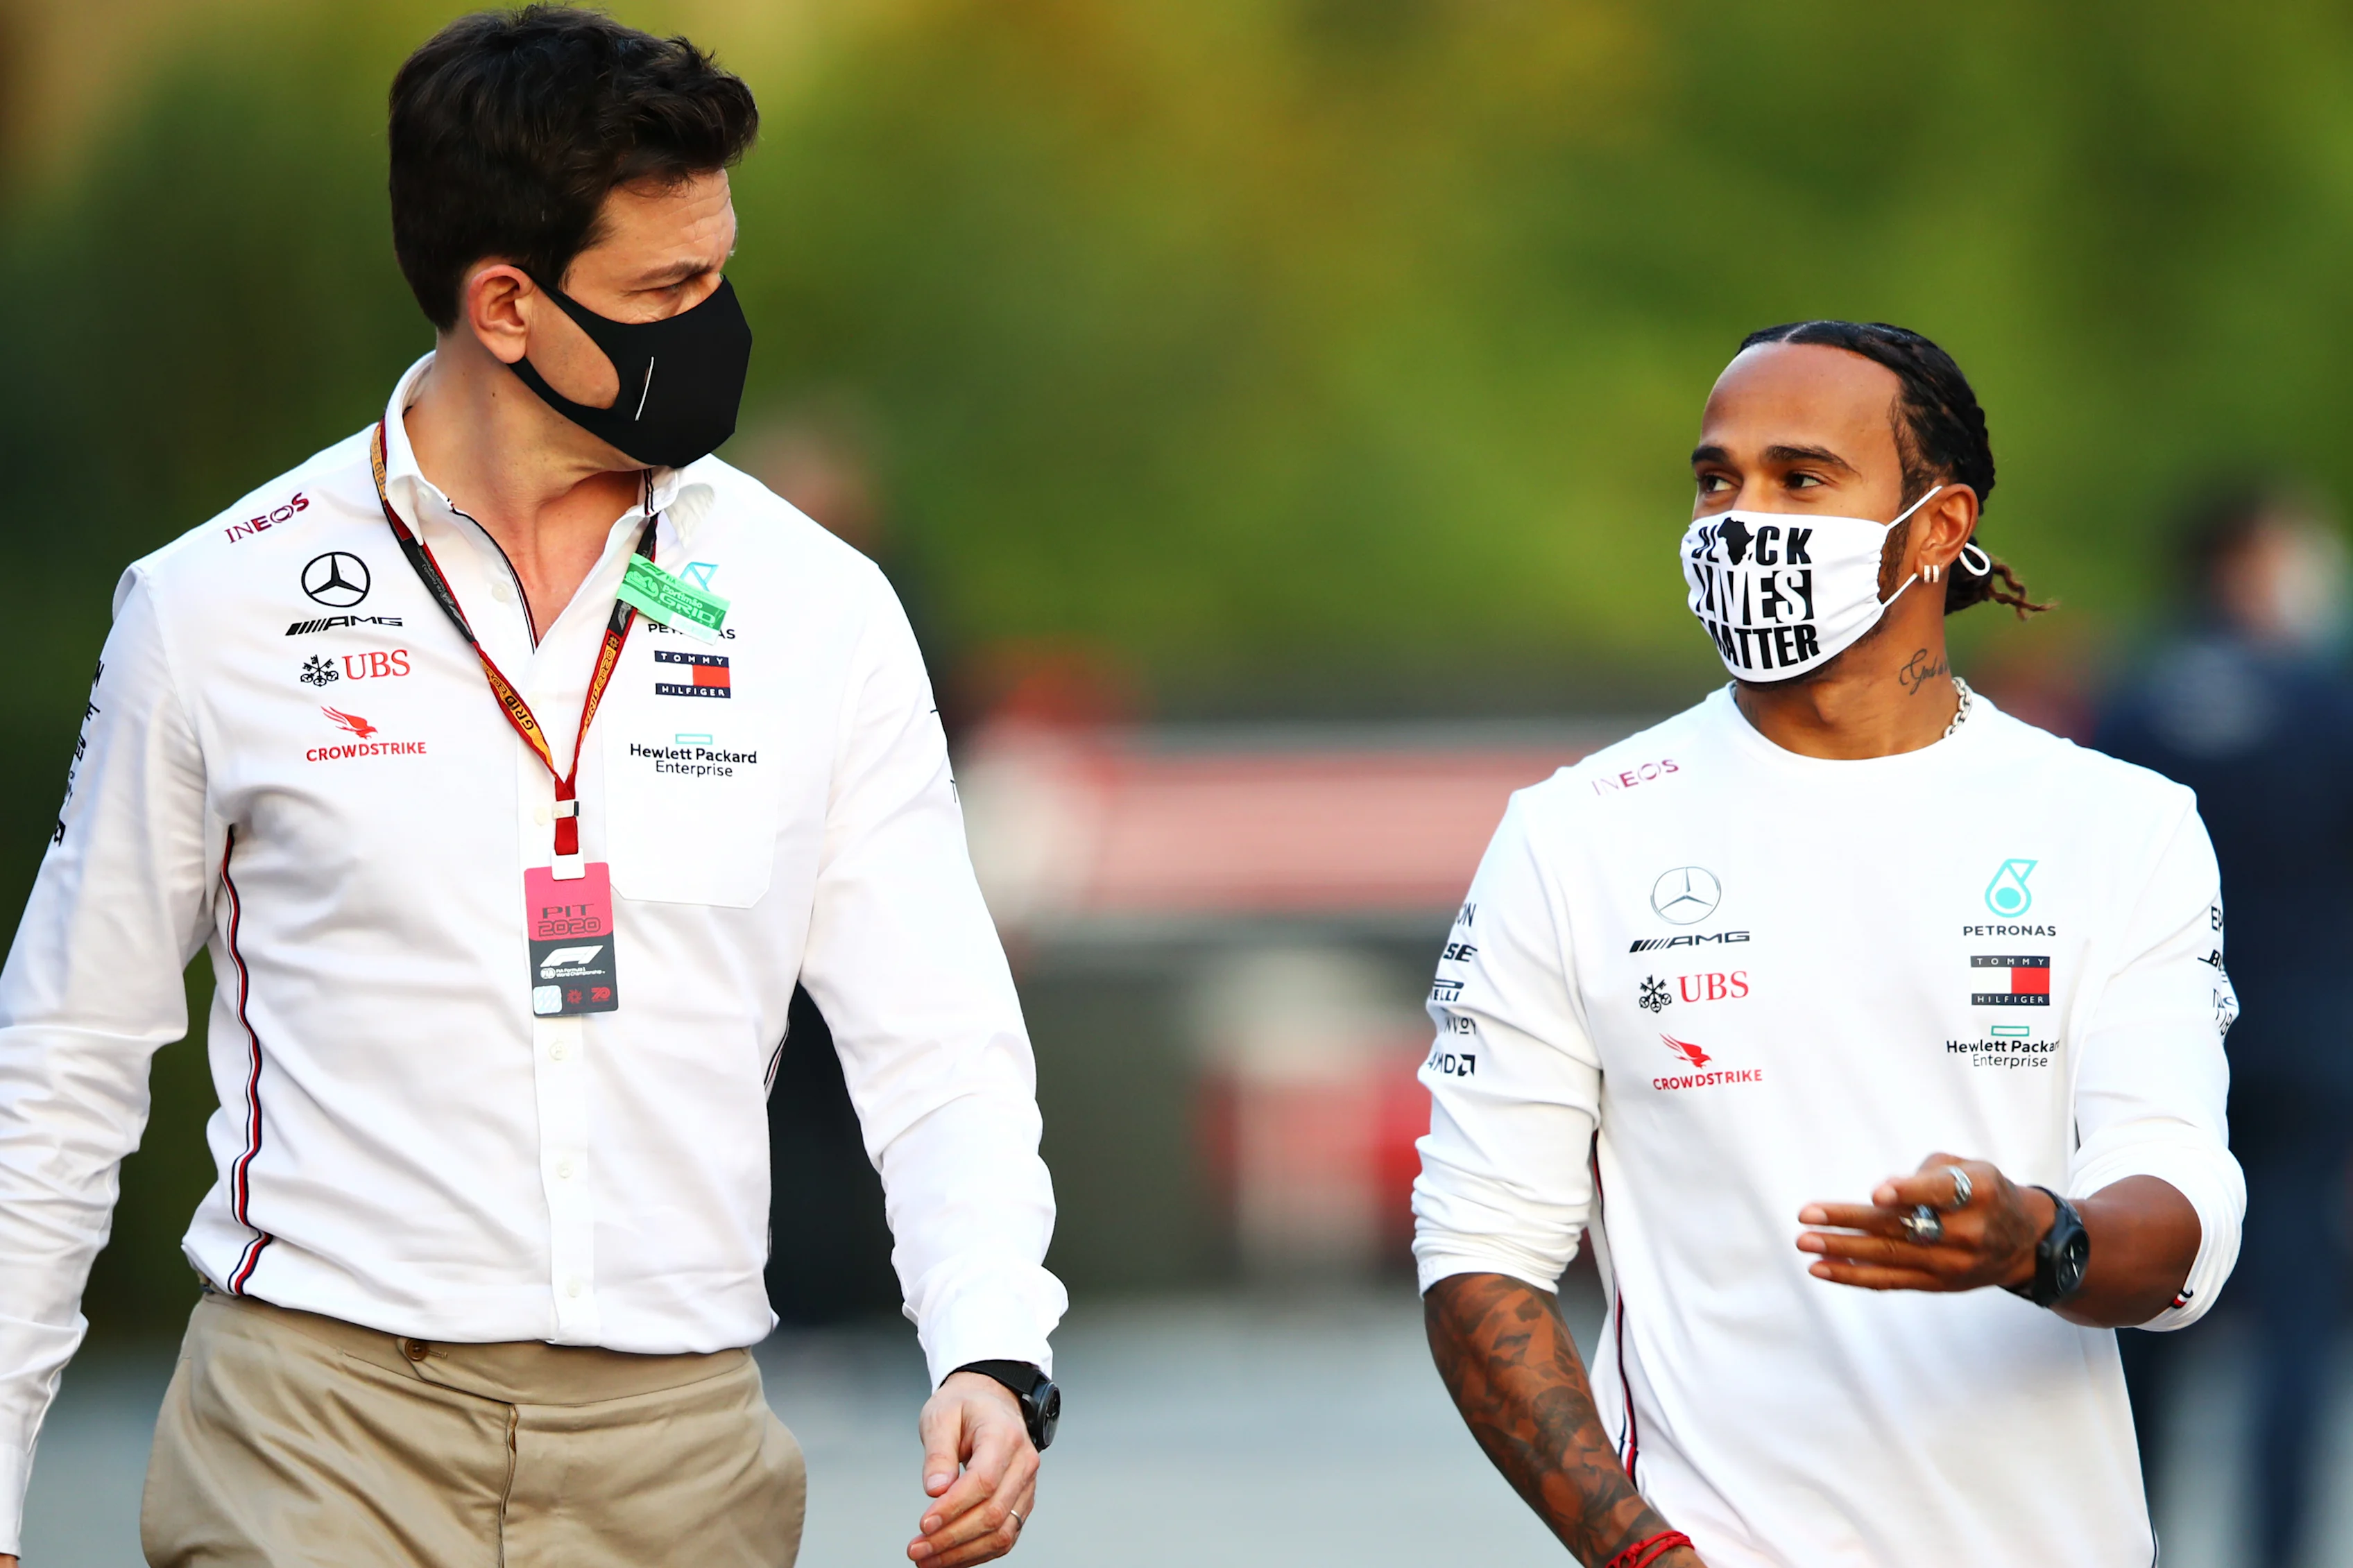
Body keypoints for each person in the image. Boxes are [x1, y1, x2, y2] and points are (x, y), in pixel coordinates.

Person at [0, 10, 1062, 1567]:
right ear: (505, 304)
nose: (718, 325)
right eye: (666, 292)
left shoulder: (822, 608)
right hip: (312, 1435)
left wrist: (992, 1343)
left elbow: (942, 1039)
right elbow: (66, 1055)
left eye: (722, 271)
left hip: (680, 1450)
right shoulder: (211, 607)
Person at [1412, 320, 2244, 1566]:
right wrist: (1644, 1553)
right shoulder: (1573, 835)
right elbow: (1480, 1254)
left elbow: (2180, 1212)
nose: (1741, 518)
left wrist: (2035, 1240)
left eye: (1800, 479)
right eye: (1715, 479)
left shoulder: (2119, 826)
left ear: (1937, 526)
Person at [2094, 486, 2353, 1566]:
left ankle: (2130, 1540)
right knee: (2296, 1311)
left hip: (2163, 1049)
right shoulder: (2327, 702)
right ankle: (2279, 1548)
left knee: (2145, 1296)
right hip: (2306, 1041)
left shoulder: (2131, 702)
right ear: (2252, 559)